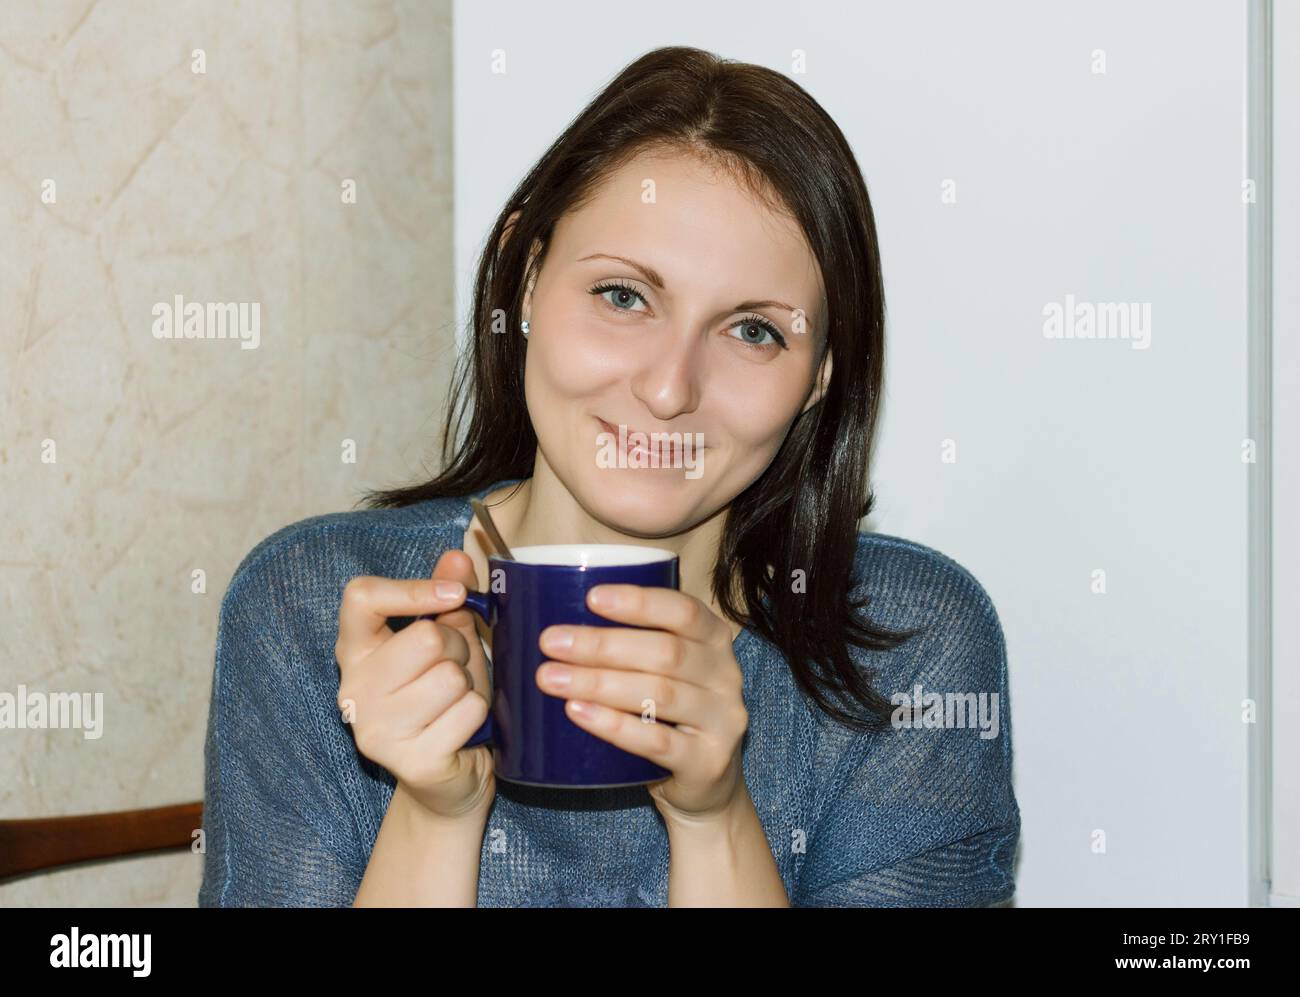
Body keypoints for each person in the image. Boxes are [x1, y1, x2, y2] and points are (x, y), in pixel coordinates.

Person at [198, 45, 1020, 907]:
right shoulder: (307, 604)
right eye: (624, 296)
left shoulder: (913, 649)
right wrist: (436, 812)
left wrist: (716, 818)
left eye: (753, 331)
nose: (669, 390)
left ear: (819, 375)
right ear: (523, 272)